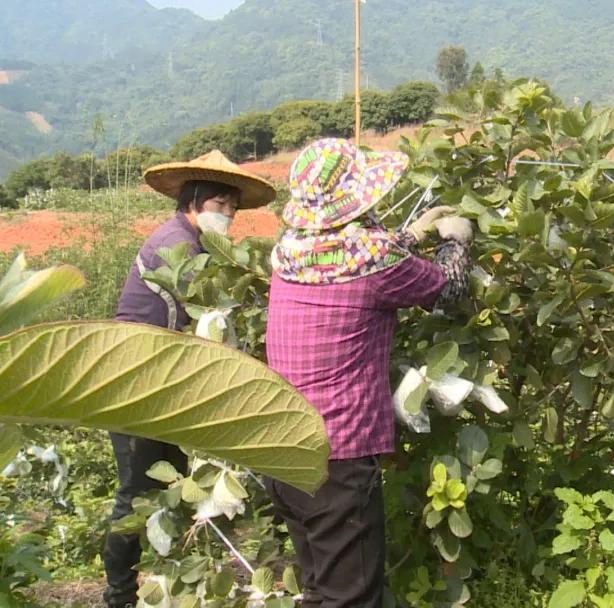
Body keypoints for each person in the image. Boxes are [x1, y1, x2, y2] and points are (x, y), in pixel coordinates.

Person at [264, 137, 472, 607]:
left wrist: (413, 234)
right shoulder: (373, 260)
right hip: (337, 455)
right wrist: (457, 239)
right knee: (352, 599)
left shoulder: (290, 250)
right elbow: (448, 289)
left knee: (321, 590)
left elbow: (357, 253)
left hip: (282, 445)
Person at [103, 150, 276, 608]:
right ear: (194, 202)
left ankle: (171, 579)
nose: (229, 217)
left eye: (233, 210)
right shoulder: (176, 244)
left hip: (163, 388)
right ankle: (119, 594)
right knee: (137, 494)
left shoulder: (194, 242)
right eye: (222, 206)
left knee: (174, 485)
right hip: (133, 386)